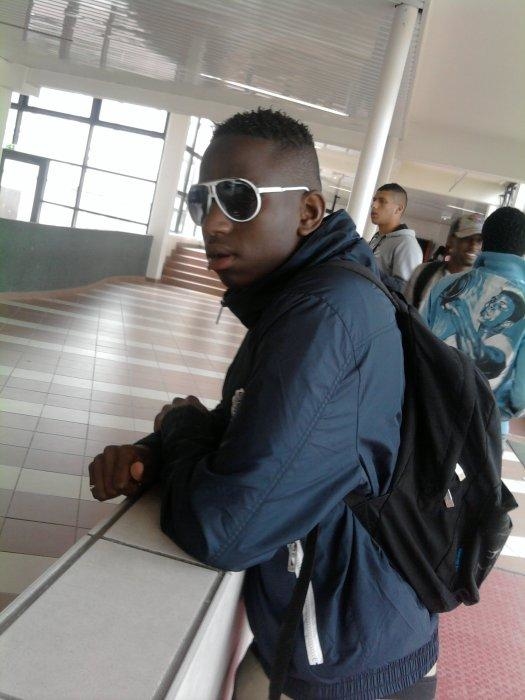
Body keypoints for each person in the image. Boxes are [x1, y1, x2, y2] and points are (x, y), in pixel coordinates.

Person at [89, 108, 438, 699]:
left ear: (308, 212)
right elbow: (252, 430)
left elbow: (226, 530)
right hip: (336, 635)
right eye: (200, 201)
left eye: (239, 198)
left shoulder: (325, 314)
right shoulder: (309, 295)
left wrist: (178, 426)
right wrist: (158, 448)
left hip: (348, 664)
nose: (213, 222)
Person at [423, 206, 525, 425]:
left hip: (430, 413)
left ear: (484, 241)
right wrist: (500, 416)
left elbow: (420, 343)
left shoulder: (446, 285)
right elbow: (521, 395)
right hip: (484, 426)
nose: (493, 305)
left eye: (502, 307)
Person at [405, 213, 483, 309]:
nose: (474, 246)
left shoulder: (483, 287)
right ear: (451, 240)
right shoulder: (424, 272)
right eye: (467, 239)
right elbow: (404, 311)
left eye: (479, 241)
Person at [368, 183, 422, 292]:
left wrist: (364, 268)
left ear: (398, 209)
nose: (374, 205)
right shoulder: (378, 237)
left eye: (382, 201)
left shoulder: (407, 244)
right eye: (374, 200)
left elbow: (403, 290)